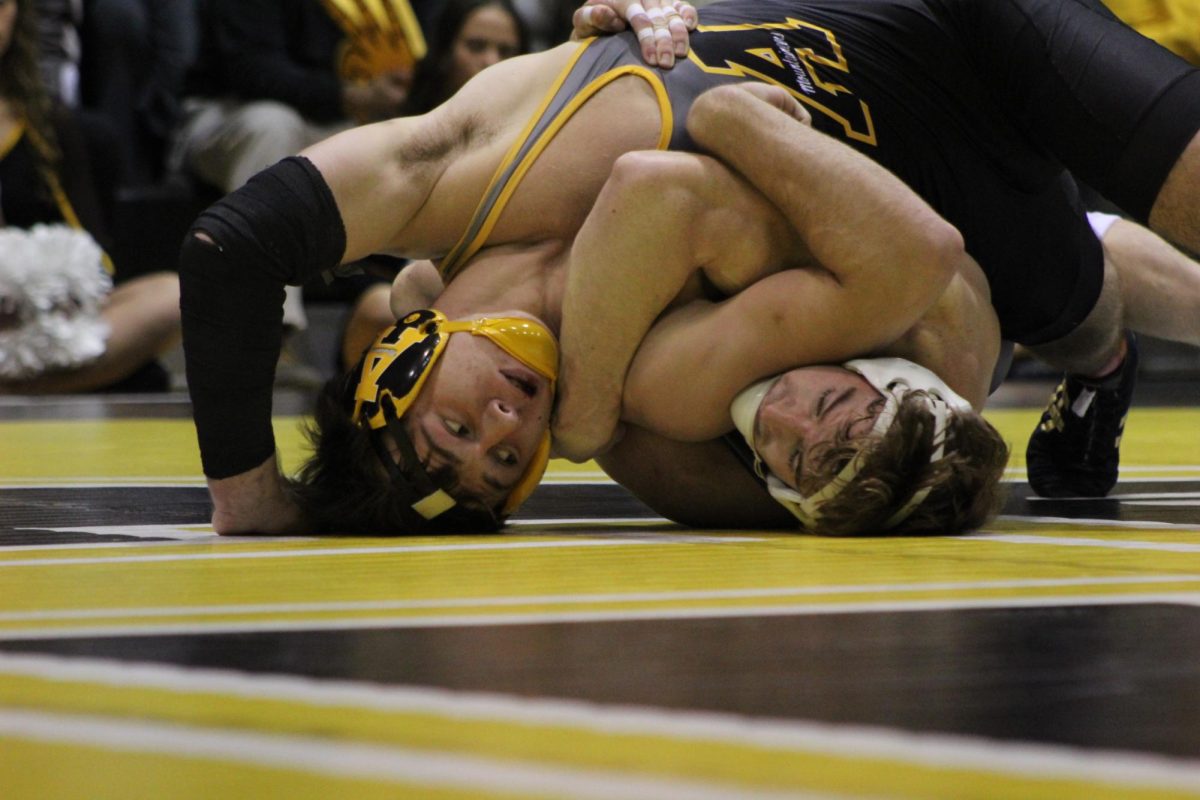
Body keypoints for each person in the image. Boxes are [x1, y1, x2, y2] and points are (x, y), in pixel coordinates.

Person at [179, 0, 1200, 535]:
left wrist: (249, 491)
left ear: (396, 359)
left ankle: (1097, 359)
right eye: (507, 468)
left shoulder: (442, 178)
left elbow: (227, 245)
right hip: (943, 211)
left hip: (920, 30)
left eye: (459, 427)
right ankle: (1102, 369)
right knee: (1078, 309)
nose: (506, 428)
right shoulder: (632, 386)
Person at [338, 0, 531, 373]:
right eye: (476, 47)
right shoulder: (401, 130)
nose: (490, 61)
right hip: (397, 285)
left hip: (506, 290)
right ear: (445, 52)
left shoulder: (540, 137)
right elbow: (359, 257)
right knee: (380, 306)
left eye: (506, 51)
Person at [0, 0, 180, 392]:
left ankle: (21, 384)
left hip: (40, 323)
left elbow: (96, 261)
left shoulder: (51, 125)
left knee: (173, 295)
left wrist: (51, 290)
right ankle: (61, 381)